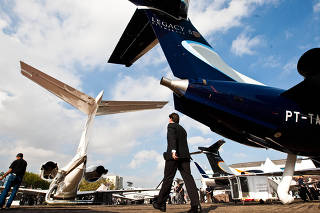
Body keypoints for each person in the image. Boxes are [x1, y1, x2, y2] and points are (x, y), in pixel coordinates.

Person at [153, 113, 201, 213]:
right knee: (189, 179)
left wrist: (173, 151)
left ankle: (160, 203)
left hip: (174, 156)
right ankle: (195, 206)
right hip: (185, 157)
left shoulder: (171, 126)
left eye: (169, 118)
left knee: (168, 178)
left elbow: (172, 138)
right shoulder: (183, 130)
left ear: (171, 119)